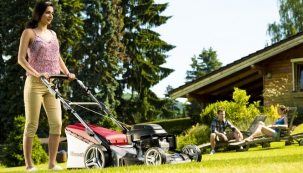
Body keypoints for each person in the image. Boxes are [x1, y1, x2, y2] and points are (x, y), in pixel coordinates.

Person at [17, 1, 75, 171]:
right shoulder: (29, 32)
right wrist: (37, 73)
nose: (51, 16)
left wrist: (67, 73)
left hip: (52, 85)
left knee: (57, 123)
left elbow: (57, 57)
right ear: (39, 13)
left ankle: (52, 163)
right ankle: (29, 165)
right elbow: (21, 59)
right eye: (48, 12)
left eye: (52, 13)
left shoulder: (53, 34)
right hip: (34, 84)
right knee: (31, 124)